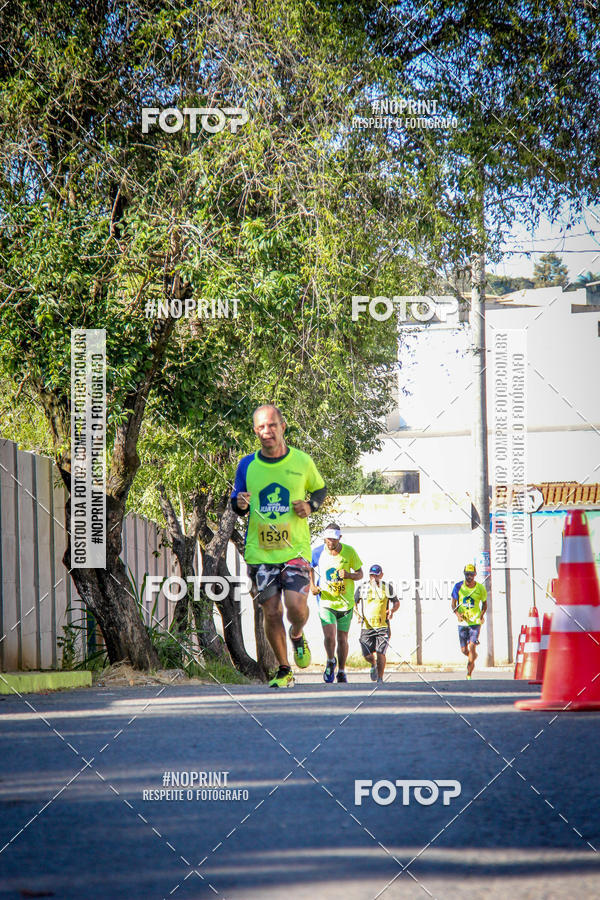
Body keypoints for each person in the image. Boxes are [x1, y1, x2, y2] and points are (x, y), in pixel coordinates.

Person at [231, 404, 326, 688]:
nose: (266, 431)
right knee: (271, 611)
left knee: (295, 607)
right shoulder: (247, 464)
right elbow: (236, 503)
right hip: (260, 552)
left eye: (271, 425)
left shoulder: (302, 462)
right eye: (260, 427)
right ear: (255, 431)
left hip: (295, 550)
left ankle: (297, 633)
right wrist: (239, 503)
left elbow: (320, 489)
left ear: (283, 427)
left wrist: (311, 505)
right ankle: (284, 670)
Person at [310, 524, 363, 683]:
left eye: (333, 539)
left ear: (339, 538)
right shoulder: (318, 552)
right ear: (324, 538)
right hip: (326, 601)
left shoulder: (349, 551)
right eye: (328, 538)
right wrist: (312, 585)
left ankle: (341, 670)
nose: (330, 542)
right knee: (329, 636)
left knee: (342, 639)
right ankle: (330, 661)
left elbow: (360, 574)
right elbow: (309, 567)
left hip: (345, 603)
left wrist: (348, 575)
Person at [354, 564, 399, 683]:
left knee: (381, 652)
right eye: (371, 575)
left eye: (376, 575)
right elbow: (353, 603)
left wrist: (392, 610)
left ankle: (380, 678)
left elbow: (396, 603)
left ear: (381, 575)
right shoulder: (362, 588)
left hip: (382, 626)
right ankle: (373, 663)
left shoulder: (387, 588)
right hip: (366, 627)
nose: (374, 578)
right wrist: (357, 614)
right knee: (367, 655)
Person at [451, 563, 488, 679]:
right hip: (462, 623)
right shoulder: (458, 587)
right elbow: (453, 604)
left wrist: (481, 615)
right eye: (467, 574)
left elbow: (485, 604)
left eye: (471, 574)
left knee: (472, 646)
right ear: (464, 574)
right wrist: (458, 614)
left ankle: (468, 674)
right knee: (464, 650)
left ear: (475, 575)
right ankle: (472, 656)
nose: (469, 577)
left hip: (475, 623)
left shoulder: (480, 588)